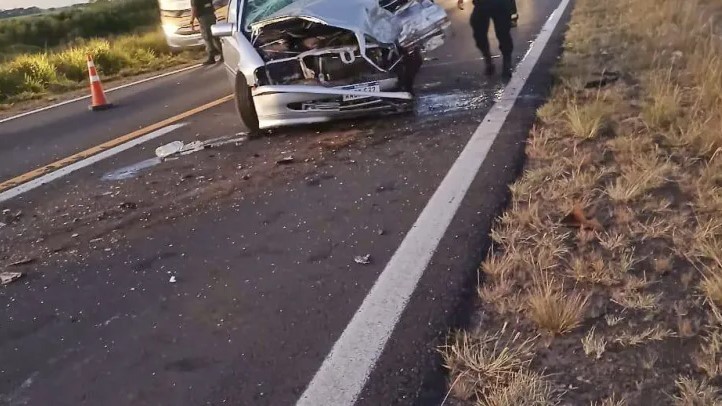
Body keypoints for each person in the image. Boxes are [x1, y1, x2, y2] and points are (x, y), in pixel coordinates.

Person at [458, 0, 514, 79]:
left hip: (500, 4)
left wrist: (512, 9)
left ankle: (507, 63)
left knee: (503, 33)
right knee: (478, 32)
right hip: (481, 4)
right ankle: (488, 60)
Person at [190, 0, 223, 65]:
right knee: (215, 35)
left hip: (203, 18)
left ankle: (211, 57)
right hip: (211, 15)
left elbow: (194, 9)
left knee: (207, 37)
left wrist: (192, 20)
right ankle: (222, 53)